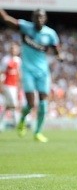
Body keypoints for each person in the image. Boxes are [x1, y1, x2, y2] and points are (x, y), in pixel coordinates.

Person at [0, 9, 62, 142]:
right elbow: (6, 19)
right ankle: (22, 119)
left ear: (45, 19)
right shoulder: (25, 27)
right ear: (32, 18)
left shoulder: (50, 33)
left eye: (41, 17)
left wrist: (59, 55)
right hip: (27, 71)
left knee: (43, 104)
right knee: (30, 103)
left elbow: (56, 48)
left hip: (43, 72)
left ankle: (38, 132)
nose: (39, 19)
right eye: (36, 17)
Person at [0, 42, 22, 132]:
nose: (13, 50)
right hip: (7, 85)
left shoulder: (18, 60)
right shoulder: (6, 60)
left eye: (15, 49)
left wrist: (19, 86)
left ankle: (1, 123)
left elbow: (19, 74)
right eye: (12, 48)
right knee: (14, 103)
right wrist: (1, 85)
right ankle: (17, 123)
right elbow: (2, 73)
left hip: (15, 85)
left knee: (7, 106)